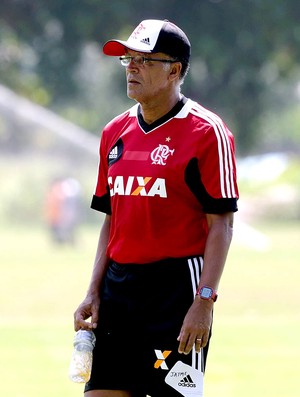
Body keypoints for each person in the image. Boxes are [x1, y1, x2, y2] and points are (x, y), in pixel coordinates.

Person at [74, 19, 239, 397]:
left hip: (175, 292)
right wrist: (92, 292)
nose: (132, 67)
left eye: (145, 60)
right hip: (117, 291)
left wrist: (205, 301)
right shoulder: (113, 131)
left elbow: (222, 226)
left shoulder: (206, 132)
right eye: (128, 59)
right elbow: (111, 221)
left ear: (174, 71)